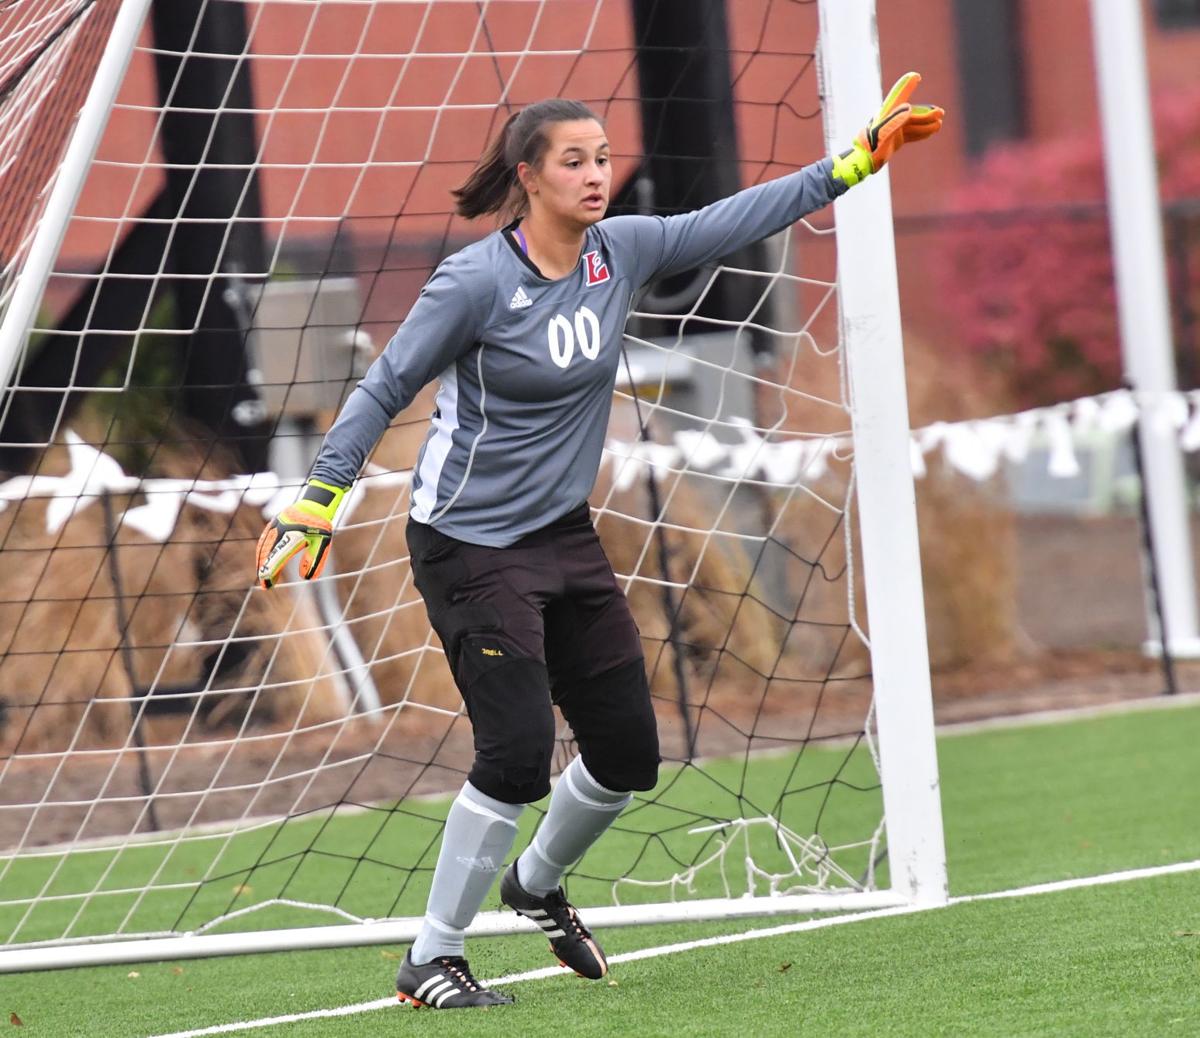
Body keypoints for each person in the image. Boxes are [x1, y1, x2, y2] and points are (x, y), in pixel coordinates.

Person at [255, 74, 943, 1009]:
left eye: (603, 159)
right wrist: (321, 494)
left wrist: (852, 164)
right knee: (516, 752)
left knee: (626, 754)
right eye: (573, 161)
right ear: (528, 177)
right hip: (468, 545)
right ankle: (431, 955)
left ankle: (534, 884)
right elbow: (382, 388)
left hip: (565, 538)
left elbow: (735, 217)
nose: (595, 175)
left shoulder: (620, 251)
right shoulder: (473, 282)